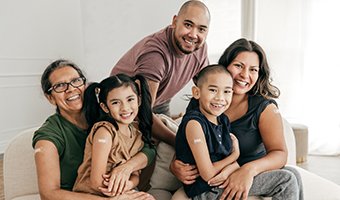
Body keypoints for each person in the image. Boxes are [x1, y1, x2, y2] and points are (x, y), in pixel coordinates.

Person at [170, 39, 304, 200]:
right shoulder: (204, 102)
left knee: (293, 174)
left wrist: (248, 170)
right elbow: (189, 139)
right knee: (288, 179)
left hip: (245, 172)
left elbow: (280, 153)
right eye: (238, 66)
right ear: (225, 66)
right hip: (215, 180)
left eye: (253, 69)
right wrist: (174, 164)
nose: (245, 75)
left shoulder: (264, 108)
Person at [32, 59, 155, 200]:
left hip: (114, 191)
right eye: (60, 86)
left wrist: (127, 167)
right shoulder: (48, 138)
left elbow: (148, 148)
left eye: (76, 81)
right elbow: (49, 194)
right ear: (50, 98)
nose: (71, 89)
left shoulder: (109, 113)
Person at [110, 0, 211, 146]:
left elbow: (207, 90)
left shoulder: (199, 48)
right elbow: (142, 112)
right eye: (188, 25)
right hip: (125, 111)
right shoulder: (155, 55)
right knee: (160, 150)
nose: (193, 35)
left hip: (160, 101)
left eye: (201, 29)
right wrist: (179, 143)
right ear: (175, 21)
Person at [73, 73, 155, 197]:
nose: (125, 108)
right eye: (116, 102)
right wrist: (123, 193)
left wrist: (129, 185)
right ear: (105, 107)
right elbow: (96, 183)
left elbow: (135, 175)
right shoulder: (104, 132)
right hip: (95, 194)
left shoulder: (137, 134)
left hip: (121, 191)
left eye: (130, 99)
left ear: (139, 100)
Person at [175, 64, 240, 199]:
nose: (220, 98)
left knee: (291, 175)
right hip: (205, 191)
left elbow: (228, 163)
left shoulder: (223, 120)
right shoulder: (194, 124)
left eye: (227, 91)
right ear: (196, 92)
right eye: (213, 90)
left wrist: (231, 168)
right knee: (286, 179)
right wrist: (235, 156)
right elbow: (208, 174)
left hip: (225, 182)